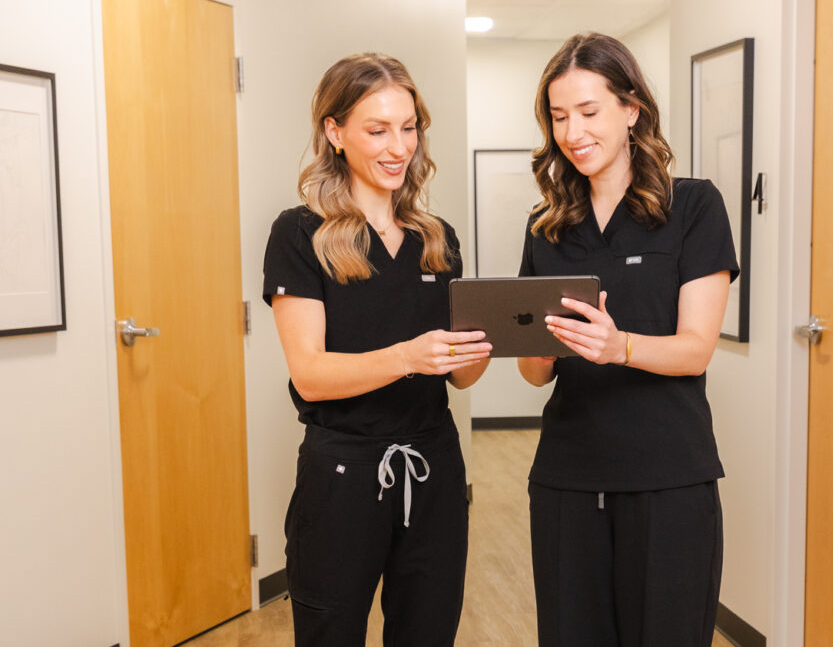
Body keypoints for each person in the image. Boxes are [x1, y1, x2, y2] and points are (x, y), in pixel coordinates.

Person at [517, 33, 739, 647]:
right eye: (559, 117)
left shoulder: (693, 206)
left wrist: (622, 347)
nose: (572, 132)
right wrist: (530, 343)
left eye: (588, 112)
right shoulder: (547, 226)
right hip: (567, 476)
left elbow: (696, 347)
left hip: (668, 477)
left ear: (631, 109)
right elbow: (536, 374)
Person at [262, 53, 491, 646]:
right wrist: (410, 356)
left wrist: (485, 345)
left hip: (435, 466)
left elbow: (462, 381)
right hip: (344, 474)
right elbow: (310, 375)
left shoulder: (436, 238)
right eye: (377, 129)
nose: (399, 147)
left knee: (428, 631)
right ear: (334, 133)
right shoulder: (299, 233)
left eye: (409, 127)